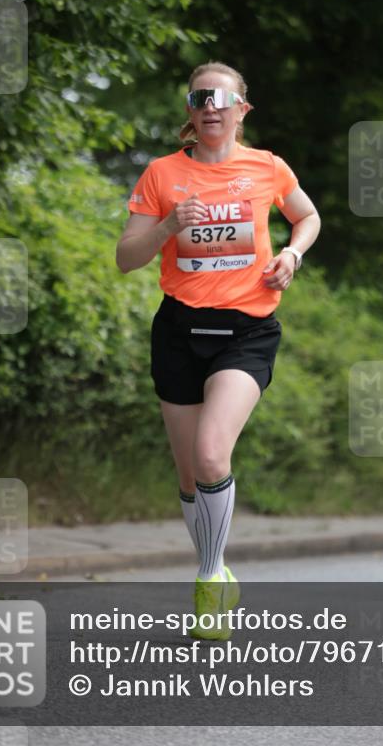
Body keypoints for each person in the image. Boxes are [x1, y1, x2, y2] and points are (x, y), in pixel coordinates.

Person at [116, 61, 321, 639]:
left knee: (211, 456)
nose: (211, 105)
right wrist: (167, 227)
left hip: (247, 331)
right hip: (179, 332)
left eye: (222, 97)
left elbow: (307, 216)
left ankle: (211, 575)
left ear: (240, 110)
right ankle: (211, 561)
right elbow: (126, 257)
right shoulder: (161, 175)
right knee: (188, 476)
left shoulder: (266, 167)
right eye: (199, 96)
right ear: (190, 108)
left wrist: (293, 254)